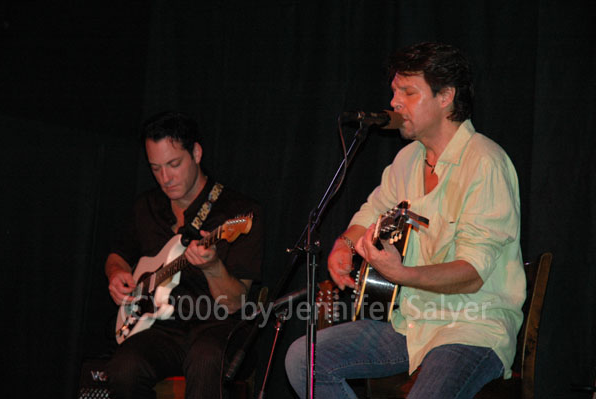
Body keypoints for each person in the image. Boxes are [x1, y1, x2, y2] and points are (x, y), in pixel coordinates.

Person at [285, 42, 526, 398]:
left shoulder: (485, 163)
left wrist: (403, 275)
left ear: (446, 97)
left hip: (472, 327)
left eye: (408, 92)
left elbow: (473, 273)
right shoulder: (408, 160)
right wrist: (345, 244)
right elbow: (371, 211)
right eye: (395, 91)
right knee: (304, 359)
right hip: (411, 324)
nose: (395, 102)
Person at [105, 111, 263, 399]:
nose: (165, 178)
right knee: (123, 367)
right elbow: (117, 255)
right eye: (156, 168)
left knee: (205, 358)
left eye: (174, 164)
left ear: (197, 153)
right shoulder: (146, 207)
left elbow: (236, 303)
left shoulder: (237, 211)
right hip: (163, 328)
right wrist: (116, 274)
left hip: (218, 325)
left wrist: (213, 267)